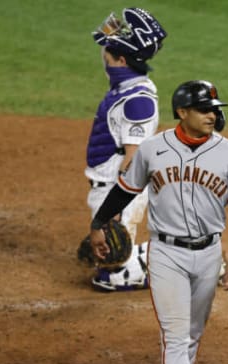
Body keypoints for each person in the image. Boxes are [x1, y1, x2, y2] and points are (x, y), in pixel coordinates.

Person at [89, 80, 228, 364]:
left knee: (192, 333)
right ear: (182, 112)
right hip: (166, 253)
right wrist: (98, 223)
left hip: (209, 254)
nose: (212, 115)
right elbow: (126, 189)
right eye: (204, 109)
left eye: (214, 110)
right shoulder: (153, 149)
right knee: (176, 336)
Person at [83, 7, 167, 291]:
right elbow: (105, 43)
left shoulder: (138, 102)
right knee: (107, 250)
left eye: (110, 52)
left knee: (110, 273)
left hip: (119, 186)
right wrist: (117, 29)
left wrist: (116, 207)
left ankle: (188, 262)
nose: (103, 53)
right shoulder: (125, 80)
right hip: (106, 183)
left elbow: (133, 159)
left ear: (120, 60)